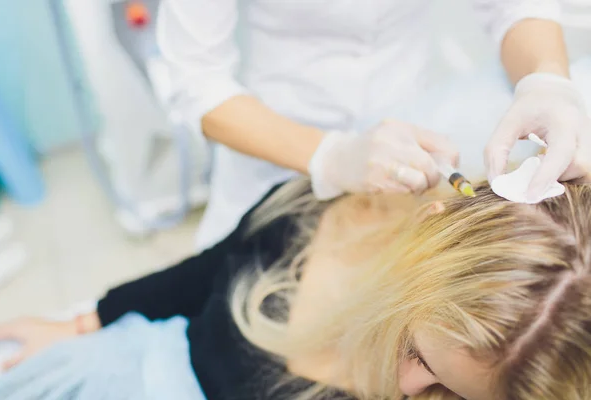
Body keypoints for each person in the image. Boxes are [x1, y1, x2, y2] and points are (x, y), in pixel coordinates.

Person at [0, 178, 591, 399]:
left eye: (451, 395)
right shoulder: (322, 212)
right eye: (415, 349)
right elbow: (204, 270)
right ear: (426, 234)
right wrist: (82, 323)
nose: (409, 389)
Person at [157, 0, 591, 251]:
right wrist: (329, 156)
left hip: (411, 133)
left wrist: (547, 80)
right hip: (276, 146)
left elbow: (513, 8)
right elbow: (194, 80)